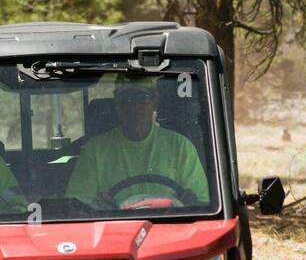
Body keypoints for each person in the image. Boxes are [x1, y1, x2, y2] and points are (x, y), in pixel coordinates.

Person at [65, 75, 209, 208]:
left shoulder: (181, 147)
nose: (133, 107)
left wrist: (191, 201)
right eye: (126, 99)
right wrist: (97, 206)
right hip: (113, 231)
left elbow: (202, 203)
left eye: (142, 98)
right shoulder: (94, 150)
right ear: (117, 103)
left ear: (155, 102)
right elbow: (76, 207)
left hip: (170, 230)